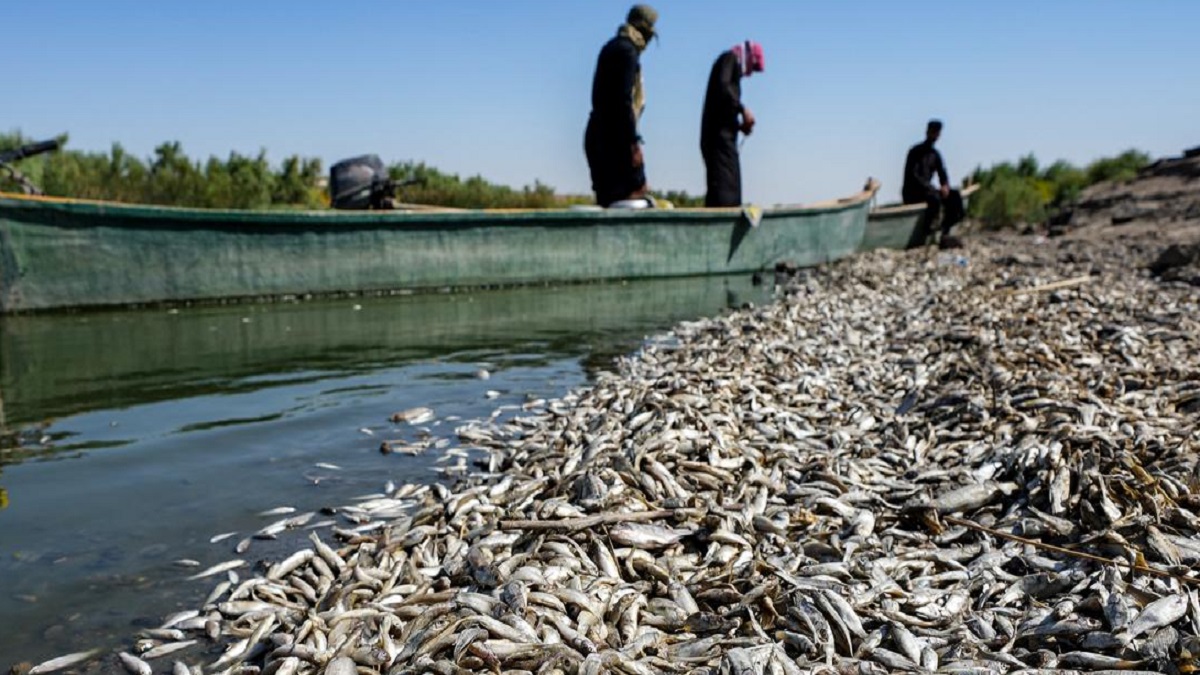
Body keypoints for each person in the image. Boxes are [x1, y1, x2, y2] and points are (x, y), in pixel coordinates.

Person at [584, 5, 658, 208]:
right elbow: (622, 101)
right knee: (635, 193)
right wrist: (633, 144)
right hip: (614, 140)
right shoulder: (627, 52)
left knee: (609, 201)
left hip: (598, 135)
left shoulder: (611, 47)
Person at [701, 41, 764, 207]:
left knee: (731, 190)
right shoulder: (729, 59)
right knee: (724, 194)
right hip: (718, 142)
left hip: (724, 140)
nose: (750, 73)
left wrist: (740, 127)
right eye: (754, 66)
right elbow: (723, 86)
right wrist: (742, 109)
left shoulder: (731, 67)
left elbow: (722, 107)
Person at [902, 119, 965, 248]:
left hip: (928, 190)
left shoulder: (935, 154)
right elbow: (913, 176)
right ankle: (927, 229)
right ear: (927, 132)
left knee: (954, 196)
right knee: (934, 198)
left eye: (937, 133)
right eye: (933, 132)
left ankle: (945, 231)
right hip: (912, 192)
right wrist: (930, 188)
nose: (935, 135)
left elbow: (943, 173)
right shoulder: (915, 152)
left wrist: (945, 186)